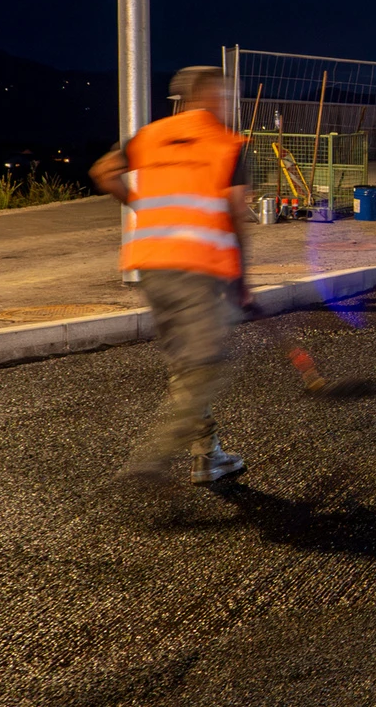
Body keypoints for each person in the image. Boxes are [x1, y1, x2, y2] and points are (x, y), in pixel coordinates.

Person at [90, 66, 252, 486]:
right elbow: (236, 214)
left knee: (186, 364)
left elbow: (103, 173)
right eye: (226, 94)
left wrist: (145, 208)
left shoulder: (150, 136)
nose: (228, 103)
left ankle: (208, 455)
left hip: (152, 264)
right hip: (200, 268)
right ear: (214, 97)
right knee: (205, 365)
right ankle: (154, 457)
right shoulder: (228, 144)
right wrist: (243, 278)